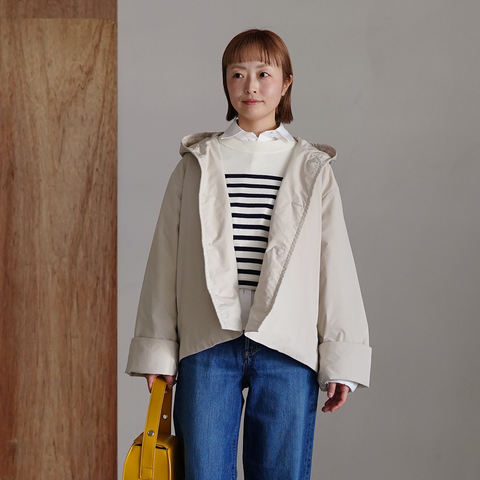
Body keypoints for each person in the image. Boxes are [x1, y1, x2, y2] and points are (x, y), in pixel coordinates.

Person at [126, 28, 371, 480]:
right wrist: (158, 352)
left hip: (287, 347)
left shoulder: (311, 167)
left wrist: (343, 359)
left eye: (263, 73)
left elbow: (333, 265)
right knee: (203, 472)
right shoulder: (197, 162)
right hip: (206, 342)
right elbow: (165, 261)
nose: (250, 85)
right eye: (237, 74)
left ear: (286, 83)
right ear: (225, 82)